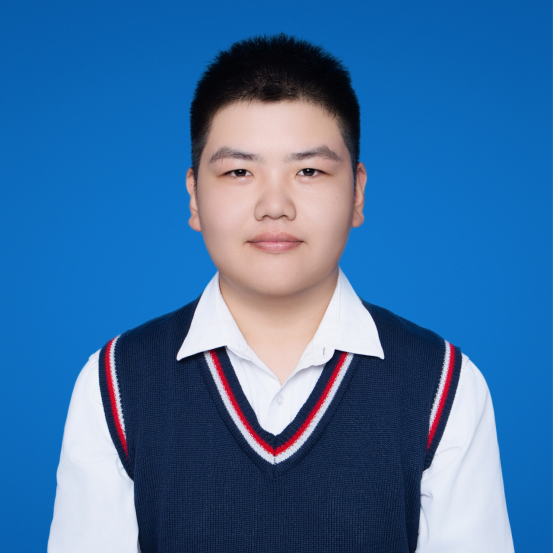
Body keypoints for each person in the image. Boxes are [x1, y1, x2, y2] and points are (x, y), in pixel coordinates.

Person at [48, 34, 513, 553]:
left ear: (357, 193)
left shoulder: (443, 385)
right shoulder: (116, 384)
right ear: (194, 196)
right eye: (239, 171)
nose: (275, 205)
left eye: (309, 171)